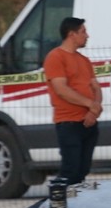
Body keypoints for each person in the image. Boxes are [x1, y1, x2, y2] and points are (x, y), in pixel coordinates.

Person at [43, 16, 102, 185]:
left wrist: (93, 110)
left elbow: (95, 87)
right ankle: (58, 203)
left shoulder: (84, 60)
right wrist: (90, 104)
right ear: (72, 34)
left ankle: (75, 203)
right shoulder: (55, 57)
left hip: (88, 123)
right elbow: (62, 90)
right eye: (83, 31)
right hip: (69, 122)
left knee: (83, 170)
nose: (87, 35)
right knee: (71, 169)